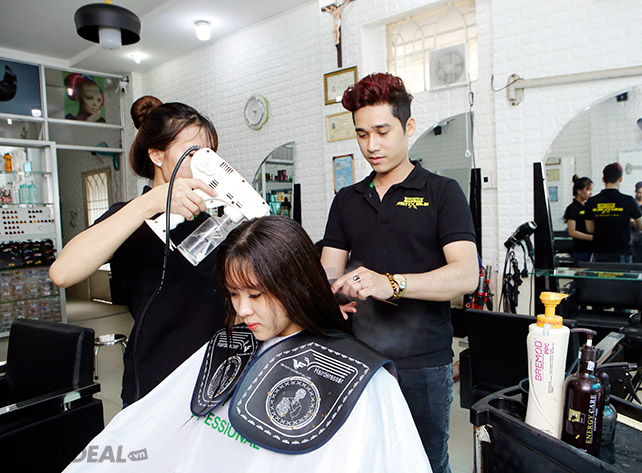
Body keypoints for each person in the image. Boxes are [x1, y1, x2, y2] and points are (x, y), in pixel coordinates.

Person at [65, 216, 432, 472]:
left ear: (296, 285)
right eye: (233, 294)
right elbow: (148, 429)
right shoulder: (230, 346)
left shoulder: (362, 378)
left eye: (255, 294)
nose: (242, 310)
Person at [320, 72, 478, 473]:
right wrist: (329, 298)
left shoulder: (442, 193)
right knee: (367, 462)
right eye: (361, 134)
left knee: (425, 464)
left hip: (424, 363)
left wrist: (390, 283)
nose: (371, 145)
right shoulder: (347, 200)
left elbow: (466, 276)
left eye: (382, 131)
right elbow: (328, 273)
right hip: (359, 358)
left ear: (408, 127)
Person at [50, 96, 224, 405]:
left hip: (215, 375)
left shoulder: (212, 222)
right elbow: (62, 273)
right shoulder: (129, 218)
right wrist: (151, 202)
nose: (203, 162)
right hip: (156, 379)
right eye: (193, 152)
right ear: (156, 155)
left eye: (209, 153)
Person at [584, 162, 642, 263]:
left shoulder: (592, 201)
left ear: (603, 180)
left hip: (600, 251)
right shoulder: (628, 200)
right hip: (621, 251)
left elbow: (590, 229)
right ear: (620, 179)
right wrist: (630, 222)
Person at [562, 175, 593, 264]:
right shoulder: (572, 208)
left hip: (592, 248)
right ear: (579, 190)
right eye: (588, 190)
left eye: (591, 190)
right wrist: (592, 238)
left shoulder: (589, 206)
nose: (591, 193)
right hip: (581, 249)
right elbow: (572, 232)